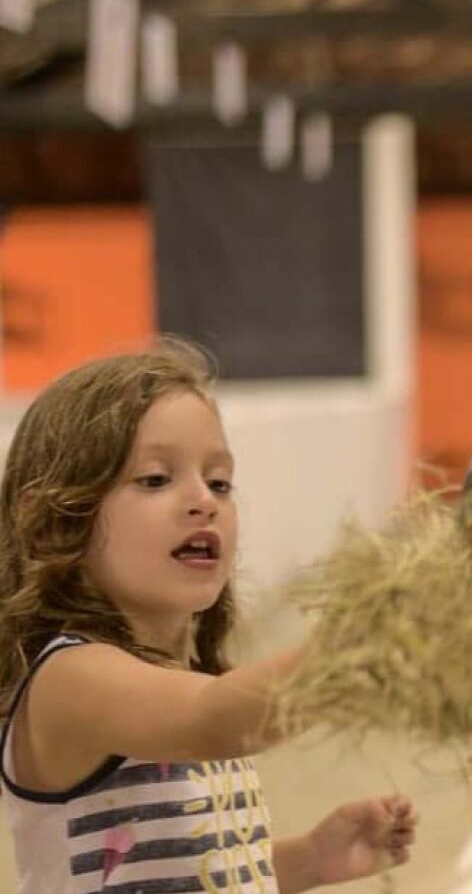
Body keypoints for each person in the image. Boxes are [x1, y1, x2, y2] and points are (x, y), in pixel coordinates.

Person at [0, 339, 417, 892]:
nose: (204, 501)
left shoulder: (191, 683)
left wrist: (311, 858)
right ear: (56, 520)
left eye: (219, 481)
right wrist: (350, 650)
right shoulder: (71, 679)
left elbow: (192, 871)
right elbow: (214, 720)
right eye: (154, 479)